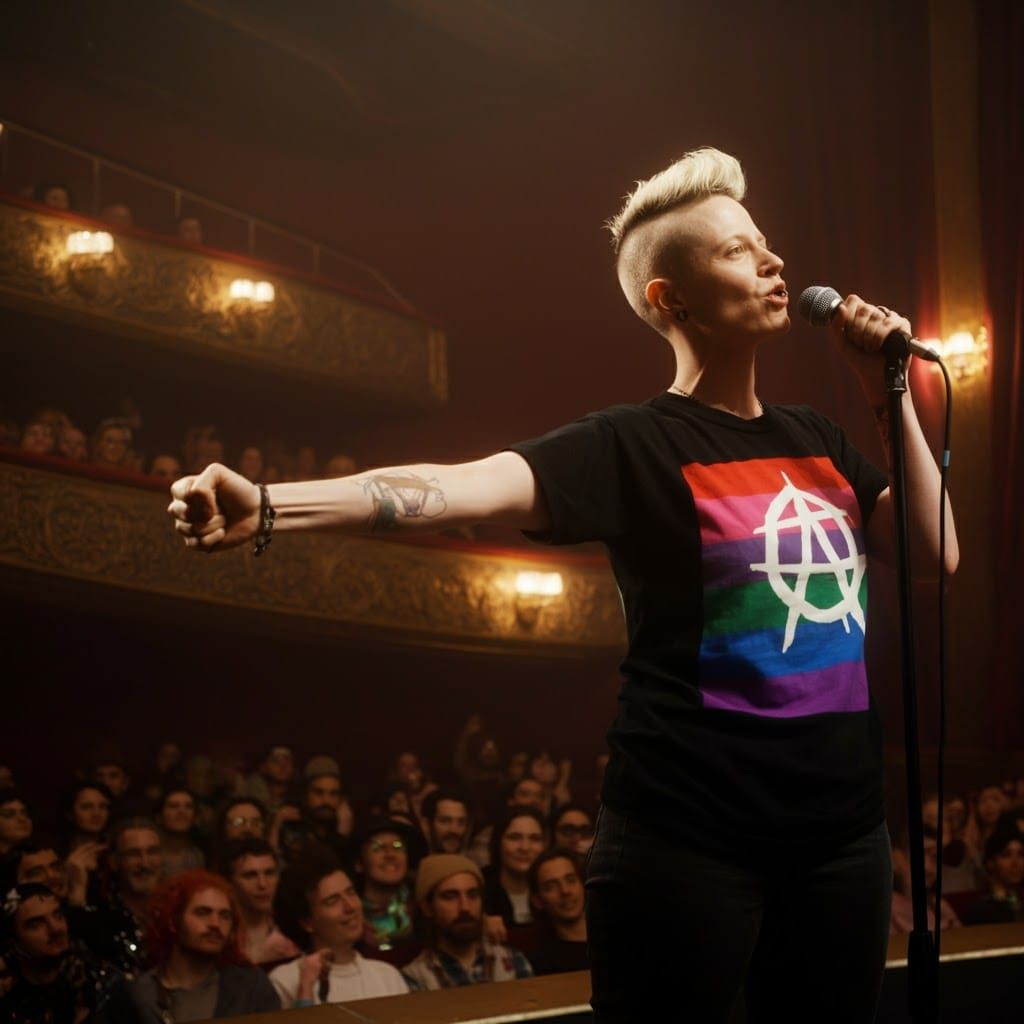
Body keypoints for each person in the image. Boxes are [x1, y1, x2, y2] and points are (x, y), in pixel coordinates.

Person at [167, 146, 958, 1022]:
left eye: (766, 243)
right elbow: (458, 485)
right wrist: (272, 505)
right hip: (691, 843)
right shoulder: (628, 445)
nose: (773, 262)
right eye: (738, 250)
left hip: (842, 840)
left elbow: (936, 550)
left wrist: (885, 394)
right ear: (670, 298)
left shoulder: (817, 436)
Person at [130, 870, 279, 1021]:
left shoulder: (250, 987)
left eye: (224, 916)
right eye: (202, 913)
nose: (215, 924)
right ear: (173, 922)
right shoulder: (141, 995)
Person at [269, 852, 407, 1006]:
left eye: (351, 893)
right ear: (307, 922)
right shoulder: (285, 980)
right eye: (332, 901)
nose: (350, 907)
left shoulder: (387, 976)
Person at [0, 883, 133, 1024]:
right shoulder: (8, 1000)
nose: (55, 928)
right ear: (13, 942)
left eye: (58, 915)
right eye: (36, 924)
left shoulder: (97, 981)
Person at [402, 854, 532, 991]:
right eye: (450, 897)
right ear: (427, 908)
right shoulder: (415, 977)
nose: (465, 907)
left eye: (473, 895)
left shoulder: (512, 961)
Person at [220, 838, 299, 966]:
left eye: (269, 873)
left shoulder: (293, 930)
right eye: (250, 875)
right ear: (230, 882)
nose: (263, 884)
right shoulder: (221, 936)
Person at [527, 849, 589, 975]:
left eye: (571, 880)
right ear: (537, 901)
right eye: (551, 886)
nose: (565, 891)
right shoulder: (539, 963)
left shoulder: (620, 939)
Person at [155, 789, 205, 877]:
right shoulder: (150, 854)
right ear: (159, 816)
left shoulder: (200, 856)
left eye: (188, 807)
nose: (182, 811)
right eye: (173, 806)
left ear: (195, 817)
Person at [421, 790, 472, 855]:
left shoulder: (472, 864)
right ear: (426, 825)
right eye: (445, 821)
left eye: (461, 822)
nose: (454, 830)